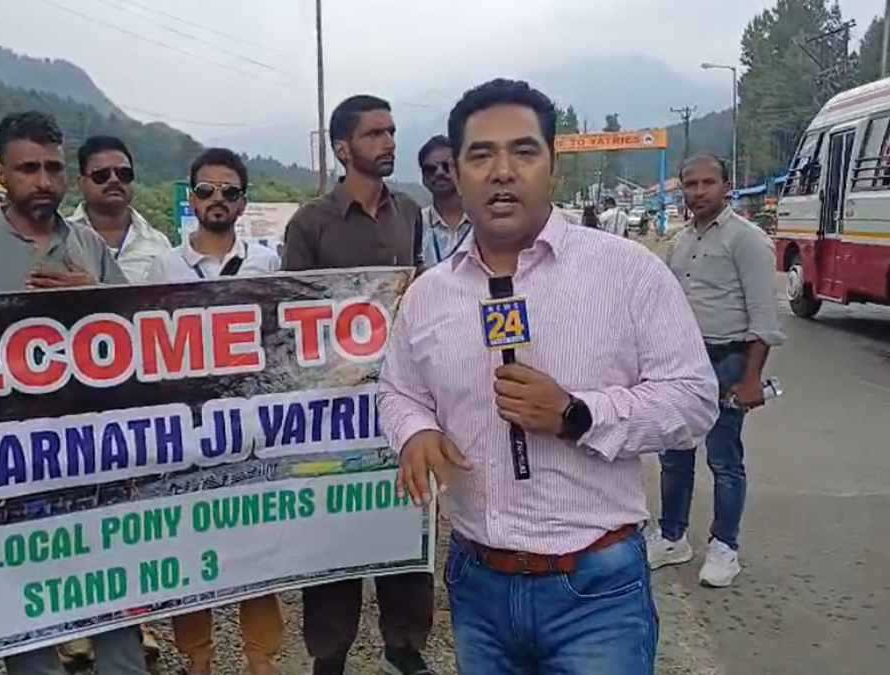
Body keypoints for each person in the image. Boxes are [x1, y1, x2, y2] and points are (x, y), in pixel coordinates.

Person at [378, 78, 719, 675]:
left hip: (596, 588)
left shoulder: (626, 272)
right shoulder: (429, 295)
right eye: (481, 155)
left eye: (524, 152)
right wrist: (414, 431)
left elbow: (693, 401)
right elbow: (399, 388)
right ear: (455, 172)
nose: (502, 171)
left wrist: (577, 414)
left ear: (552, 168)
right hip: (477, 581)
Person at [0, 112, 142, 675]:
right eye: (28, 168)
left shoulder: (92, 249)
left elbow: (142, 335)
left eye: (52, 168)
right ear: (1, 174)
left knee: (115, 589)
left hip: (96, 452)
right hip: (14, 459)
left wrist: (94, 296)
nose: (43, 181)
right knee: (24, 601)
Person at [282, 95, 432, 675]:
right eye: (375, 134)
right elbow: (290, 319)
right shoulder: (310, 223)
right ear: (343, 149)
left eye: (392, 131)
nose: (389, 142)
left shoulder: (410, 212)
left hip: (403, 397)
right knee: (335, 534)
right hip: (332, 408)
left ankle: (403, 645)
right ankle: (329, 655)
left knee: (404, 515)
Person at [145, 148, 282, 674]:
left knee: (258, 550)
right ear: (191, 197)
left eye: (229, 191)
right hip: (187, 433)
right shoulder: (164, 265)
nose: (217, 200)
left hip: (251, 431)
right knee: (192, 553)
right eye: (206, 190)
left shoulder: (267, 264)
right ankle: (196, 661)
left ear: (243, 202)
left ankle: (261, 660)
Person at [647, 153, 785, 588]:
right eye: (691, 184)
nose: (699, 192)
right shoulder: (682, 240)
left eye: (708, 183)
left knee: (724, 458)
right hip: (683, 362)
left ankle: (725, 547)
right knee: (674, 454)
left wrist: (749, 378)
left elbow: (764, 318)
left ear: (727, 187)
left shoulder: (748, 240)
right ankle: (673, 537)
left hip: (728, 360)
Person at [67, 135, 173, 281]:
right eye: (101, 175)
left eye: (124, 174)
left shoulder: (158, 243)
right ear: (81, 183)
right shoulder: (63, 238)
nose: (114, 180)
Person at [418, 135, 472, 269]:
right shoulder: (416, 225)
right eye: (430, 169)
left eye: (446, 166)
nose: (439, 173)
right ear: (423, 178)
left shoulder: (482, 221)